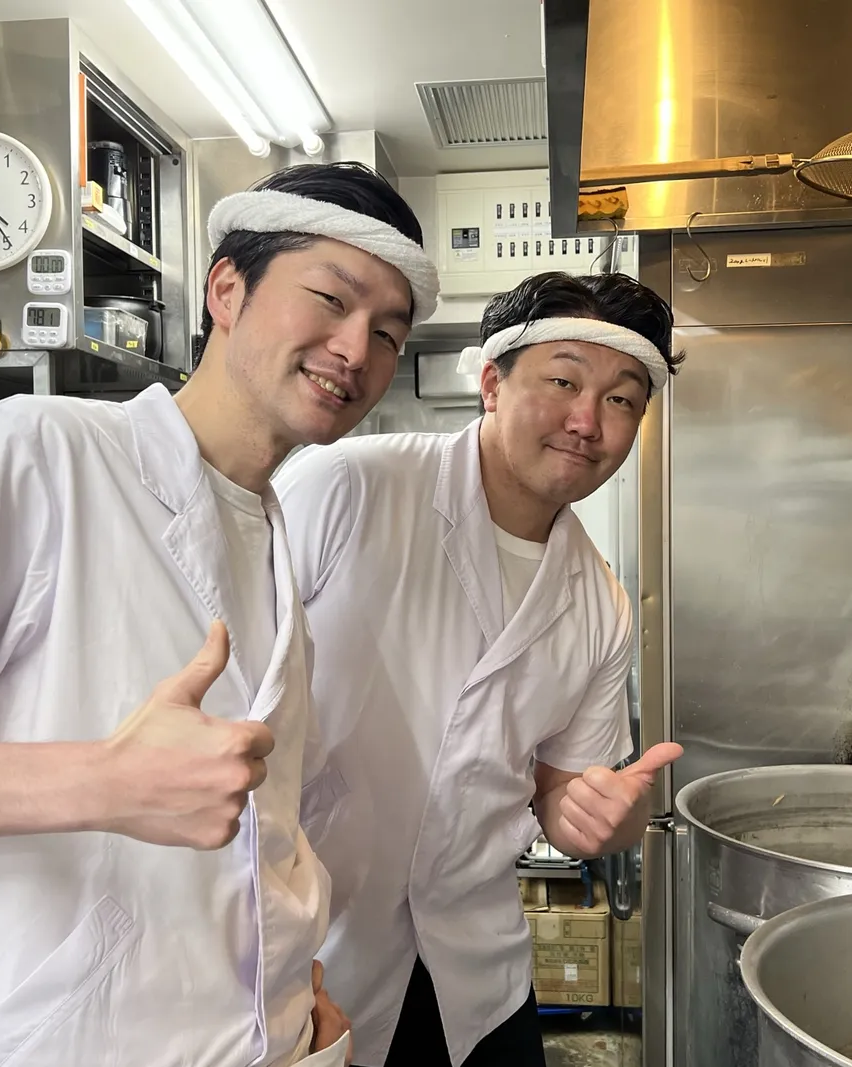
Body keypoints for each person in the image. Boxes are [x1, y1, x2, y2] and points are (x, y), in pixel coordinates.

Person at [0, 161, 438, 1067]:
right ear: (228, 289)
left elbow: (251, 831)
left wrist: (296, 986)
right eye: (331, 298)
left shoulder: (275, 529)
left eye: (388, 333)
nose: (358, 350)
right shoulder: (43, 455)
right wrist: (106, 780)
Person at [275, 270, 686, 1067]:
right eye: (563, 380)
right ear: (493, 382)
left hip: (478, 977)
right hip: (319, 963)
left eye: (622, 399)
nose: (586, 421)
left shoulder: (600, 599)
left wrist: (604, 817)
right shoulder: (348, 489)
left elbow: (564, 787)